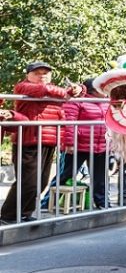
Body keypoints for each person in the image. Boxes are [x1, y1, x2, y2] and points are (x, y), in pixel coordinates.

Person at [0, 62, 84, 224]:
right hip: (28, 140)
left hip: (49, 140)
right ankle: (8, 215)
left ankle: (24, 213)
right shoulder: (23, 87)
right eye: (37, 72)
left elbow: (74, 97)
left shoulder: (54, 91)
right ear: (28, 75)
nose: (42, 75)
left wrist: (76, 90)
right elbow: (39, 90)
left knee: (41, 182)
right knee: (28, 181)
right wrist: (63, 92)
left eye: (46, 72)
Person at [54, 78, 110, 209]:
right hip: (78, 146)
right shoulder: (77, 100)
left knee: (100, 177)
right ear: (93, 90)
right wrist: (70, 143)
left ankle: (102, 203)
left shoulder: (106, 102)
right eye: (101, 87)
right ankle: (47, 203)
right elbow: (69, 123)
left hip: (100, 146)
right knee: (65, 175)